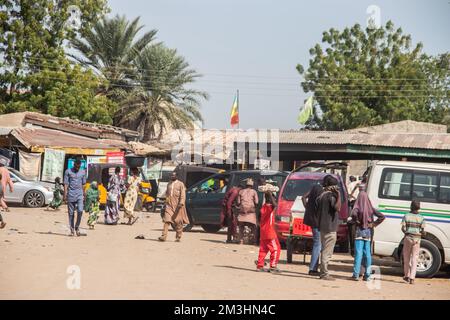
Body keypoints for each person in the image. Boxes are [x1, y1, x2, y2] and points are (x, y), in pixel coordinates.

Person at [348, 191, 385, 281]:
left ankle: (356, 274)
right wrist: (373, 224)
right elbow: (382, 216)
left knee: (358, 253)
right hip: (368, 232)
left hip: (359, 231)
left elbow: (353, 214)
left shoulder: (357, 208)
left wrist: (356, 220)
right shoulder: (370, 208)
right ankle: (367, 275)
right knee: (367, 254)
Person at [316, 175, 341, 281]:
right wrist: (338, 195)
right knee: (327, 252)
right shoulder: (331, 196)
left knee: (324, 250)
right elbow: (337, 208)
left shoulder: (321, 195)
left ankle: (323, 272)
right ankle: (324, 274)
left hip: (322, 226)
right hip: (330, 227)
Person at [159, 172, 189, 242]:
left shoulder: (180, 184)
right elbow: (167, 194)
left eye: (173, 175)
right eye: (171, 175)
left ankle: (178, 236)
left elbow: (183, 195)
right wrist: (165, 200)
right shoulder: (169, 184)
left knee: (178, 222)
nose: (172, 176)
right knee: (167, 220)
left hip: (178, 206)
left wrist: (181, 203)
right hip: (169, 205)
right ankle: (164, 236)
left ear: (176, 176)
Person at [302, 181, 324, 276]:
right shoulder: (321, 191)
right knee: (317, 245)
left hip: (312, 220)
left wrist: (307, 208)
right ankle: (313, 269)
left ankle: (313, 268)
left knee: (317, 244)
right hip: (317, 222)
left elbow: (303, 197)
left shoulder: (314, 189)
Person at [402, 200, 426, 285]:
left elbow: (403, 228)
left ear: (411, 206)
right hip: (417, 239)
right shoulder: (421, 217)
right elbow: (422, 230)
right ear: (419, 207)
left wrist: (406, 233)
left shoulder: (406, 215)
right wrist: (422, 233)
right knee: (415, 258)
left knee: (406, 257)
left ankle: (406, 276)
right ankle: (412, 278)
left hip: (408, 238)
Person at [256, 192, 281, 273]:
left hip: (263, 232)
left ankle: (260, 266)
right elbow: (275, 205)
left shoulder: (262, 208)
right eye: (274, 198)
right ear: (270, 199)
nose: (275, 200)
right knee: (276, 249)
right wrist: (270, 193)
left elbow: (258, 220)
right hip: (270, 232)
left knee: (263, 250)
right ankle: (273, 266)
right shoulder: (269, 207)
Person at [63, 159, 87, 236]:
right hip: (71, 194)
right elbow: (66, 184)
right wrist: (65, 194)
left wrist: (84, 194)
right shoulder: (68, 171)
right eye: (76, 166)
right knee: (71, 213)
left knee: (80, 210)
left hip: (79, 194)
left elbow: (83, 184)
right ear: (74, 165)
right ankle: (72, 229)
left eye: (78, 167)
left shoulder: (83, 172)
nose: (77, 168)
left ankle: (77, 226)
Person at [237, 178, 259, 245]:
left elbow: (238, 202)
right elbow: (257, 202)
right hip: (251, 211)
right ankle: (254, 241)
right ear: (252, 185)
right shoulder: (254, 191)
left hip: (242, 211)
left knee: (241, 226)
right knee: (253, 226)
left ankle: (241, 240)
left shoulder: (240, 191)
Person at [220, 178, 240, 243]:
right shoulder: (235, 192)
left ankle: (229, 239)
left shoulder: (233, 189)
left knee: (230, 223)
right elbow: (229, 202)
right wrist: (229, 212)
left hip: (228, 207)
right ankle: (234, 238)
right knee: (233, 222)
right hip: (228, 207)